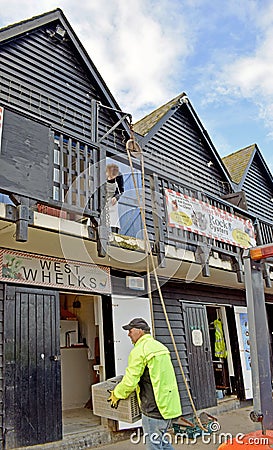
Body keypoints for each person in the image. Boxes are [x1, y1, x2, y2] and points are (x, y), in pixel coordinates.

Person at [107, 318, 182, 450]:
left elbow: (130, 381)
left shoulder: (140, 350)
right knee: (162, 442)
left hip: (153, 407)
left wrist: (117, 393)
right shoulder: (160, 347)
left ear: (140, 331)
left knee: (154, 446)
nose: (128, 334)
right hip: (168, 405)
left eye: (130, 331)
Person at [106, 163, 124, 233]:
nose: (113, 178)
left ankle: (114, 232)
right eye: (111, 176)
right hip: (103, 198)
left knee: (114, 218)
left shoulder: (119, 176)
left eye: (114, 176)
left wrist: (116, 197)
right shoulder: (101, 174)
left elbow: (121, 190)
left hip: (112, 199)